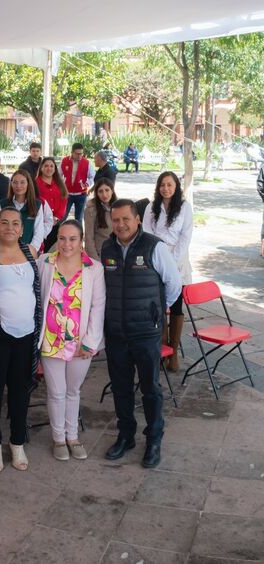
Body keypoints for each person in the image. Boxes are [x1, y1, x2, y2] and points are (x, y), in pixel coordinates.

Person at [101, 199, 182, 469]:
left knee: (151, 389)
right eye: (116, 220)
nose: (120, 224)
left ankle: (154, 439)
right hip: (115, 332)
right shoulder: (107, 247)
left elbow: (173, 285)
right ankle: (126, 436)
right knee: (121, 389)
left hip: (145, 333)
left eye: (126, 219)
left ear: (137, 220)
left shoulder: (154, 247)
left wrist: (155, 313)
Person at [0, 207, 42, 473]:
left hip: (27, 333)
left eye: (15, 223)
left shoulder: (32, 252)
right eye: (4, 222)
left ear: (21, 228)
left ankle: (17, 442)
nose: (10, 227)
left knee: (20, 389)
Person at [38, 219, 105, 462]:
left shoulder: (93, 268)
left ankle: (73, 437)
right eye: (62, 238)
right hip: (50, 340)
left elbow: (98, 306)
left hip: (80, 342)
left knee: (73, 391)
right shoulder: (45, 262)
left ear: (81, 240)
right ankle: (58, 439)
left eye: (72, 239)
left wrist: (91, 341)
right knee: (56, 392)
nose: (66, 244)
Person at [143, 171, 193, 372]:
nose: (166, 188)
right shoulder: (150, 207)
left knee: (177, 306)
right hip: (155, 257)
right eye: (162, 185)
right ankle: (161, 348)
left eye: (169, 185)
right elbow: (146, 232)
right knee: (158, 304)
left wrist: (171, 261)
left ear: (176, 186)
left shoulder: (184, 207)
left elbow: (186, 237)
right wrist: (158, 258)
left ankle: (173, 352)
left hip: (177, 258)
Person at [4, 169, 52, 251]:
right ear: (11, 184)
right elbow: (0, 231)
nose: (18, 186)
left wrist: (30, 251)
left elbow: (38, 232)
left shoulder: (37, 204)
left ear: (28, 184)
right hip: (7, 251)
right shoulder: (2, 204)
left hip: (30, 251)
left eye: (22, 182)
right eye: (15, 182)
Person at [36, 157, 68, 250]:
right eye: (46, 166)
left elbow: (64, 199)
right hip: (41, 223)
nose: (49, 168)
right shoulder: (35, 183)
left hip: (56, 223)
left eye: (51, 166)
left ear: (55, 168)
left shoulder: (59, 183)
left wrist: (56, 218)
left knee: (53, 251)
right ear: (41, 168)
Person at [83, 178, 117, 258]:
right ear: (97, 194)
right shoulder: (91, 210)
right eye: (100, 191)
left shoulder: (118, 207)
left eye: (107, 190)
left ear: (112, 191)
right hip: (101, 254)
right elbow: (88, 238)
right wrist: (96, 261)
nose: (104, 194)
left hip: (117, 253)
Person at [60, 143, 92, 223]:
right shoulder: (64, 161)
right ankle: (59, 234)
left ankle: (79, 235)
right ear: (72, 152)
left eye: (81, 153)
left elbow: (92, 176)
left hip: (81, 194)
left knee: (79, 219)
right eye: (77, 154)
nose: (79, 156)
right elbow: (58, 175)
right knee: (62, 216)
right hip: (67, 194)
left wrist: (87, 183)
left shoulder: (87, 163)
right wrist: (61, 187)